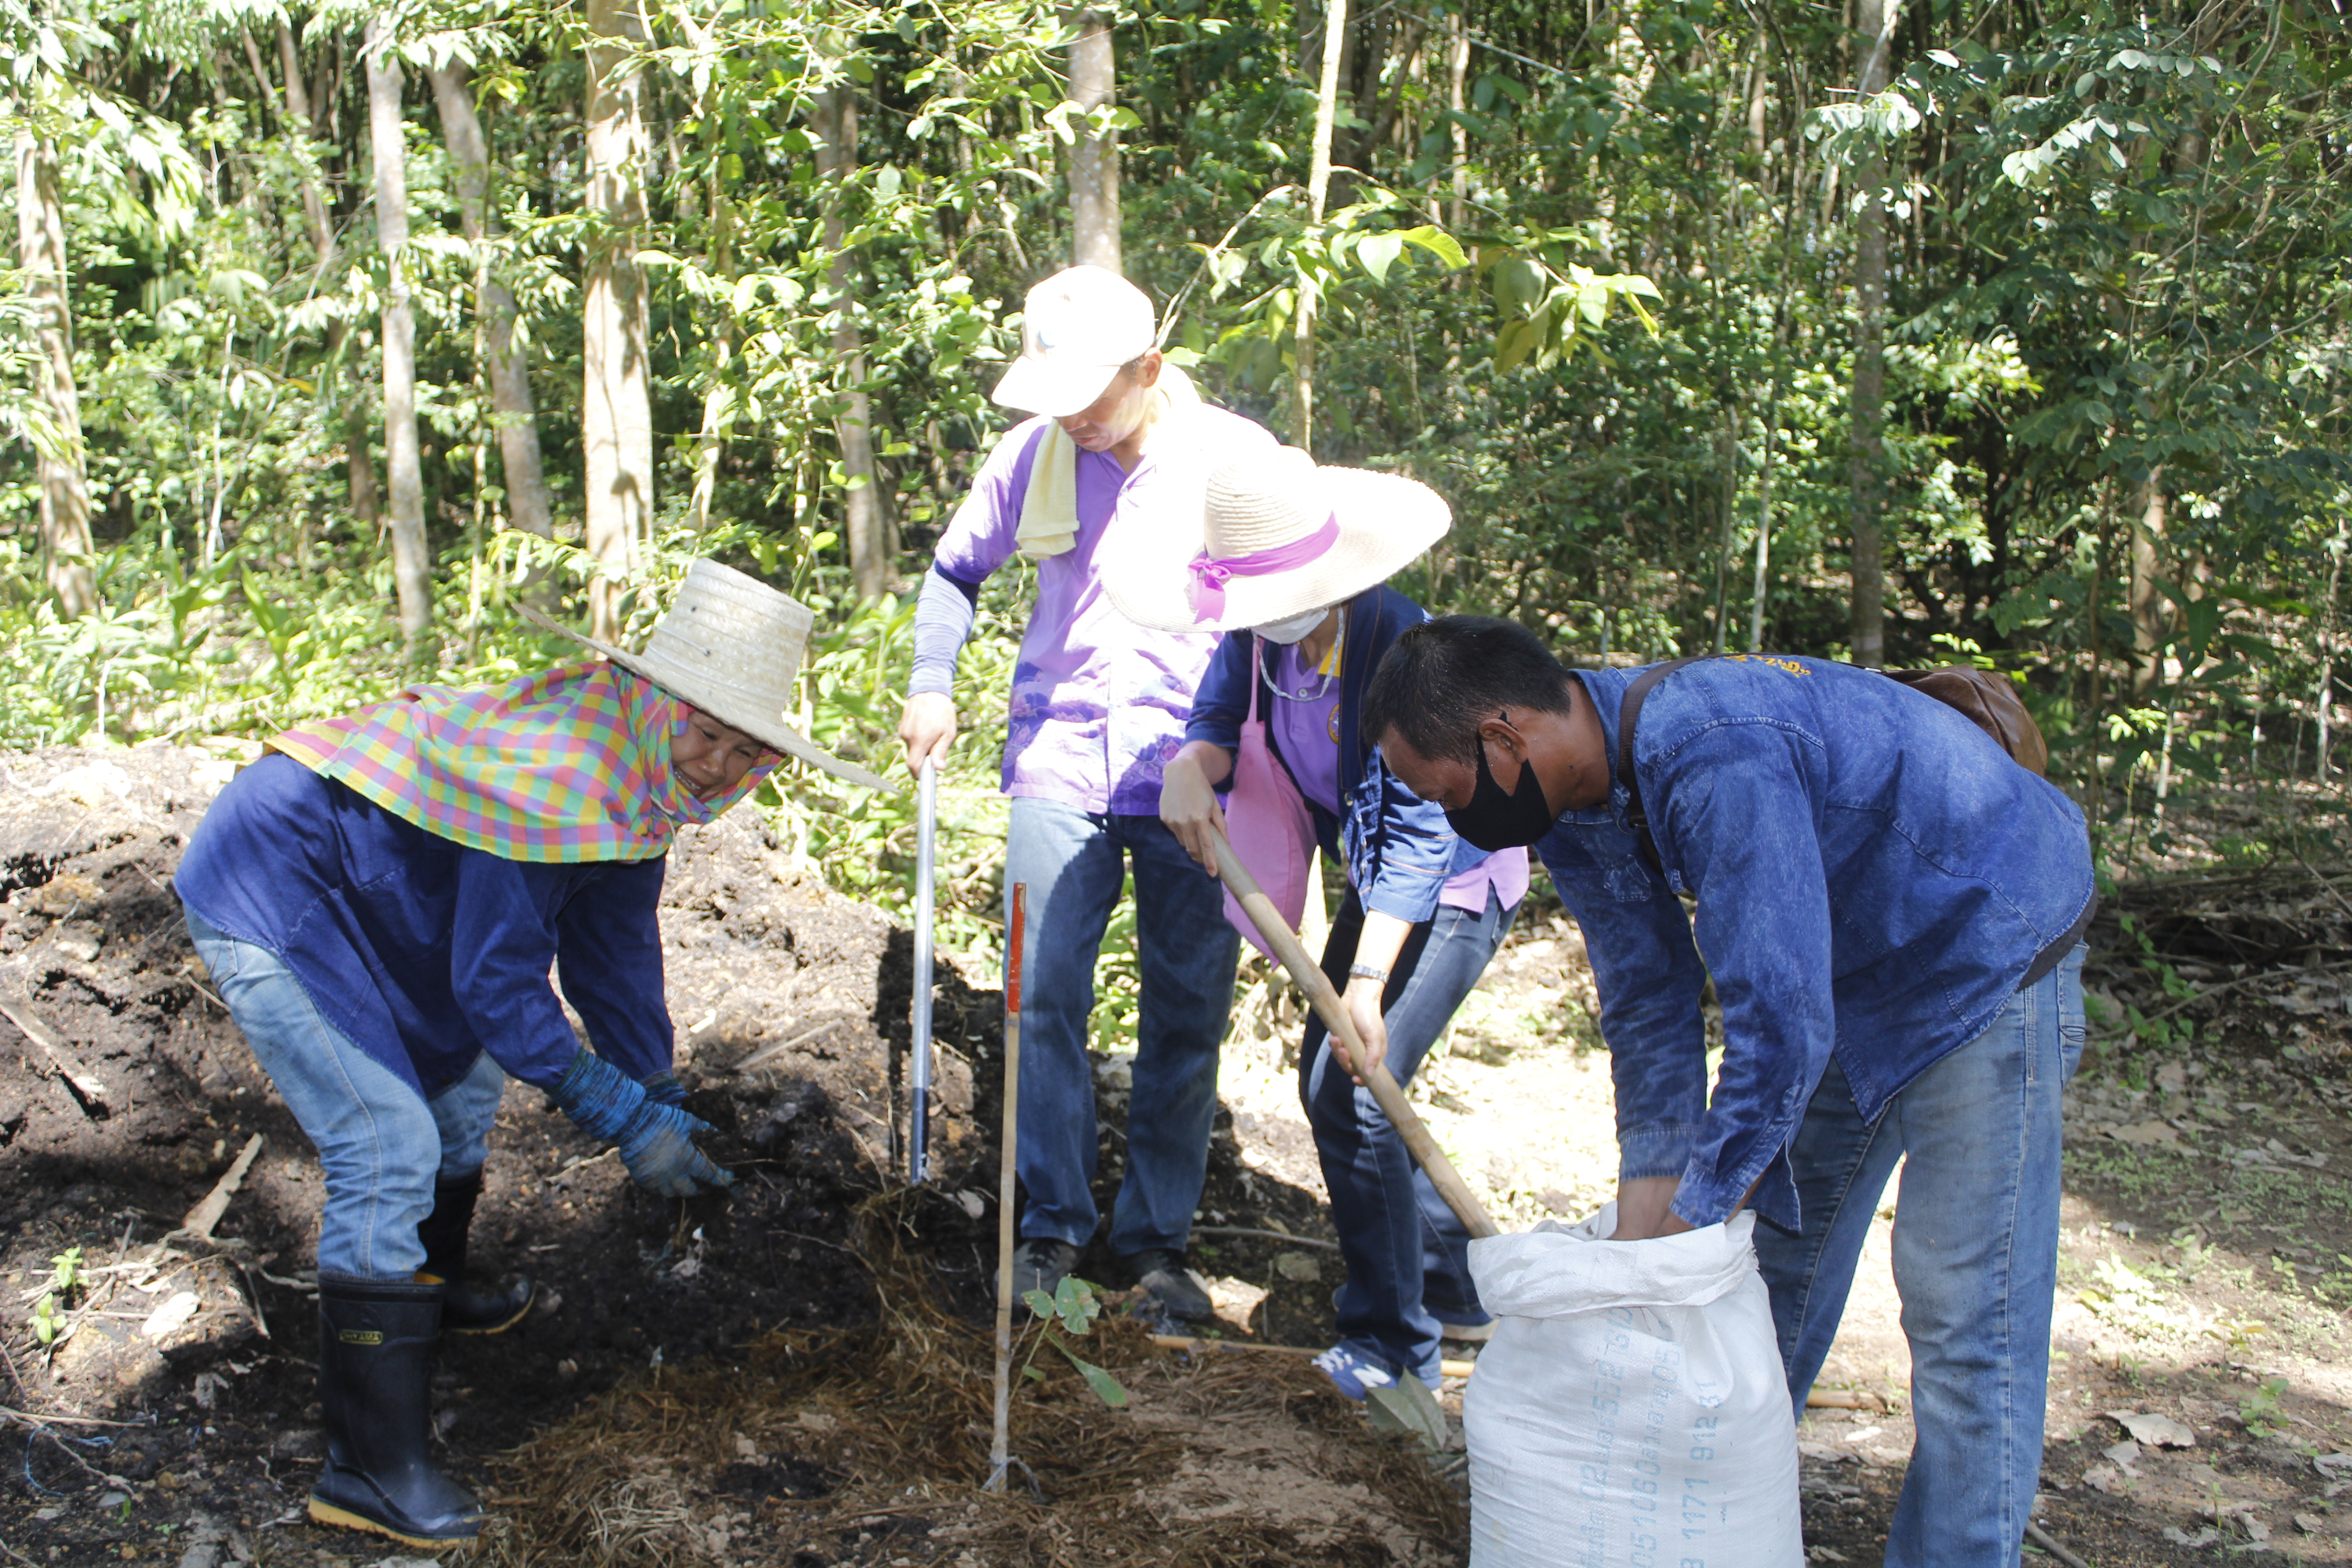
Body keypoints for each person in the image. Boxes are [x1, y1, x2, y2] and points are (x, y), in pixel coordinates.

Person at [174, 560, 883, 1548]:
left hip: (393, 902)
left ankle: (432, 1279)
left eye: (744, 748)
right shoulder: (562, 777)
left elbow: (616, 954)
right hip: (282, 887)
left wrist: (659, 1086)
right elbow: (500, 985)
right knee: (386, 1146)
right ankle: (367, 1469)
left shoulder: (643, 793)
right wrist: (618, 1114)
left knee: (465, 1082)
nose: (717, 766)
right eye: (703, 733)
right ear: (652, 701)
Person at [1362, 617, 2095, 1568]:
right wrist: (1649, 1226)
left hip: (1985, 949)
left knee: (1964, 1322)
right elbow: (1647, 1004)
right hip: (1851, 977)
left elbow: (1777, 1022)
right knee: (1765, 1271)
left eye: (1447, 792)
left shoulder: (1711, 749)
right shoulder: (1574, 797)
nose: (1454, 820)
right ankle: (1695, 1515)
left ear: (1503, 741)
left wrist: (1696, 1214)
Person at [1104, 446, 1525, 1399]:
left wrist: (1368, 987)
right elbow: (1215, 721)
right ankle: (1458, 1285)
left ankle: (1393, 1347)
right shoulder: (1260, 635)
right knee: (1339, 1086)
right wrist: (1189, 766)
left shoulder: (1407, 652)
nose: (1264, 621)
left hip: (1450, 883)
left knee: (1356, 1093)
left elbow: (1423, 835)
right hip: (1374, 879)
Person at [897, 264, 1276, 1322]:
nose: (1075, 419)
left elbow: (1295, 603)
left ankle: (1154, 1247)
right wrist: (934, 685)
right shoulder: (1036, 453)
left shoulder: (1231, 461)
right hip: (1056, 762)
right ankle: (1052, 1228)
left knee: (1187, 1013)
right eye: (1056, 400)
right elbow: (951, 571)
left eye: (1093, 399)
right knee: (1040, 998)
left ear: (1150, 369)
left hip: (1193, 777)